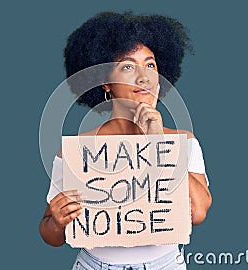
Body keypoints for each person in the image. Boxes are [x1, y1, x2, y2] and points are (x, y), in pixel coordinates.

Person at [39, 11, 212, 269]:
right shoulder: (78, 151)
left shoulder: (182, 142)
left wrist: (157, 143)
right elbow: (50, 234)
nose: (143, 76)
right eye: (128, 66)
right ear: (106, 82)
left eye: (150, 64)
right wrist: (58, 221)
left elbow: (197, 213)